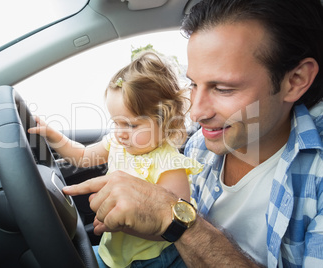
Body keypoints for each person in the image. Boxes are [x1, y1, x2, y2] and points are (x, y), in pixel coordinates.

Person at [63, 0, 323, 267]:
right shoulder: (201, 143)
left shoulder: (316, 179)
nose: (196, 113)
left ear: (296, 80)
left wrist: (174, 219)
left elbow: (176, 222)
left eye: (222, 88)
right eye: (193, 84)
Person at [29, 51, 203, 267]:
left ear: (166, 121)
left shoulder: (171, 165)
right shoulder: (118, 144)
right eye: (116, 122)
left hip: (153, 259)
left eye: (131, 125)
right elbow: (83, 156)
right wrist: (53, 136)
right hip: (114, 250)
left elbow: (172, 229)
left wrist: (121, 223)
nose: (120, 132)